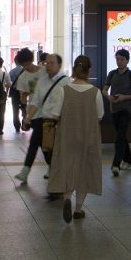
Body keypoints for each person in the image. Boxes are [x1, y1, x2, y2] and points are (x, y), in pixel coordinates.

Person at [47, 55, 104, 223]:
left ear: (74, 69)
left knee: (68, 168)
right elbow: (100, 115)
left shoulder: (64, 90)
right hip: (88, 137)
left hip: (67, 137)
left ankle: (66, 197)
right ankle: (78, 210)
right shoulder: (96, 92)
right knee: (84, 171)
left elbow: (55, 113)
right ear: (89, 70)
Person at [14, 53, 67, 184]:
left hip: (59, 122)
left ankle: (52, 171)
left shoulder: (65, 81)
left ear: (59, 65)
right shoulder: (41, 81)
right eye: (46, 63)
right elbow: (35, 102)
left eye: (51, 63)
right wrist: (28, 117)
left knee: (47, 147)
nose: (48, 65)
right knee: (39, 144)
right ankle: (29, 170)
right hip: (43, 119)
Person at [103, 48, 131, 176]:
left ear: (127, 60)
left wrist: (125, 97)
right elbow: (104, 90)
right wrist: (109, 98)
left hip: (127, 110)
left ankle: (116, 164)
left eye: (122, 59)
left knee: (120, 135)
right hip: (115, 109)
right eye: (117, 59)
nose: (119, 61)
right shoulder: (112, 74)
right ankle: (128, 160)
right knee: (121, 135)